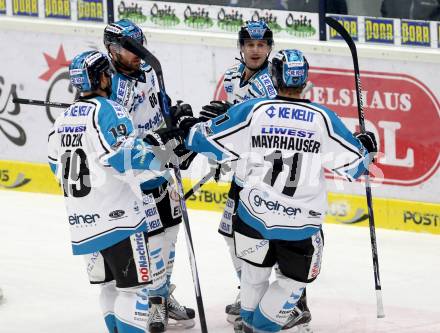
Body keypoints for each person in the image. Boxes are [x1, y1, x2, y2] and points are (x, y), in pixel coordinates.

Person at [171, 49, 378, 332]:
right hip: (300, 225)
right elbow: (355, 167)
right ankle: (261, 326)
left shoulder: (253, 111)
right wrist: (367, 145)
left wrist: (187, 125)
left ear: (274, 76)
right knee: (292, 283)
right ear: (304, 81)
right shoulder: (323, 119)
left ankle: (250, 325)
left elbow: (200, 140)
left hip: (252, 219)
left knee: (253, 277)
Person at [47, 50, 184, 333]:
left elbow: (55, 168)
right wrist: (168, 151)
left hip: (82, 224)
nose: (110, 77)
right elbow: (130, 158)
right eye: (107, 73)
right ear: (100, 78)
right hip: (120, 222)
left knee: (108, 287)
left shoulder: (61, 120)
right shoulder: (109, 110)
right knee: (135, 292)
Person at [218, 20, 313, 332]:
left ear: (270, 48)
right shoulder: (232, 76)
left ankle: (294, 303)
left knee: (281, 237)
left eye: (261, 45)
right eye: (250, 44)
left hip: (270, 174)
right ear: (241, 47)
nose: (255, 50)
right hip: (243, 172)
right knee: (233, 235)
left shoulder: (274, 80)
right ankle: (252, 294)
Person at [103, 19, 195, 332]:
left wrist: (175, 113)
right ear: (112, 50)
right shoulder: (111, 85)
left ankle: (163, 293)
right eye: (131, 49)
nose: (138, 54)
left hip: (161, 164)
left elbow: (157, 110)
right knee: (151, 241)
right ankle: (153, 302)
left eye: (141, 46)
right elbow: (116, 139)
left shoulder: (148, 73)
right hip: (137, 174)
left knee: (171, 233)